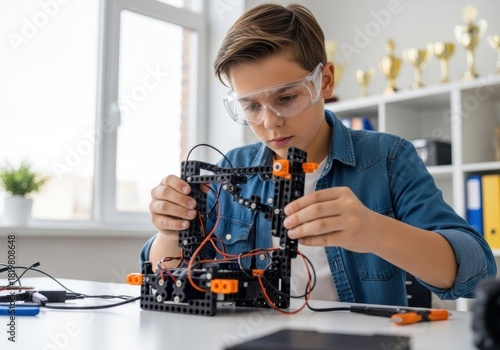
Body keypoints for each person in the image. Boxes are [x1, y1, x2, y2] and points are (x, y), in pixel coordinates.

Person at [141, 3, 497, 306]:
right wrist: (171, 229)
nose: (270, 123)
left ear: (324, 81)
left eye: (286, 98)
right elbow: (165, 277)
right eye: (250, 106)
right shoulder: (233, 168)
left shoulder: (388, 159)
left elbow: (476, 270)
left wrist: (376, 231)